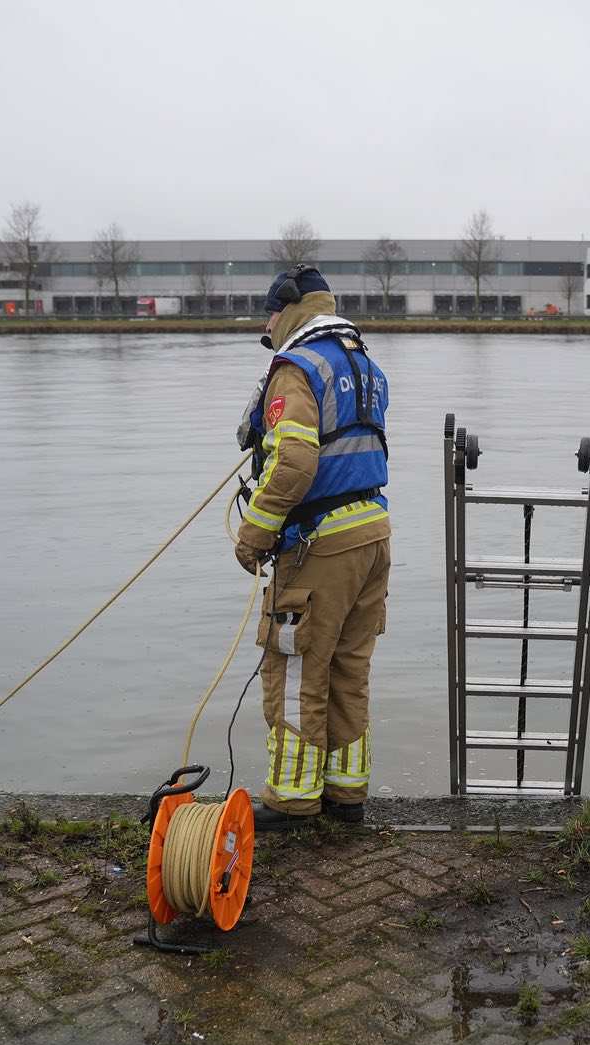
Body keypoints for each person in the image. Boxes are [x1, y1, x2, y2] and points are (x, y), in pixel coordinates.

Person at [233, 266, 391, 828]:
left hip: (321, 543)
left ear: (288, 313)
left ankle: (294, 800)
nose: (264, 324)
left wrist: (254, 534)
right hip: (373, 533)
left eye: (268, 314)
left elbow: (296, 461)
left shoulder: (296, 368)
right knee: (349, 667)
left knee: (295, 666)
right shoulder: (363, 364)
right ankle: (346, 797)